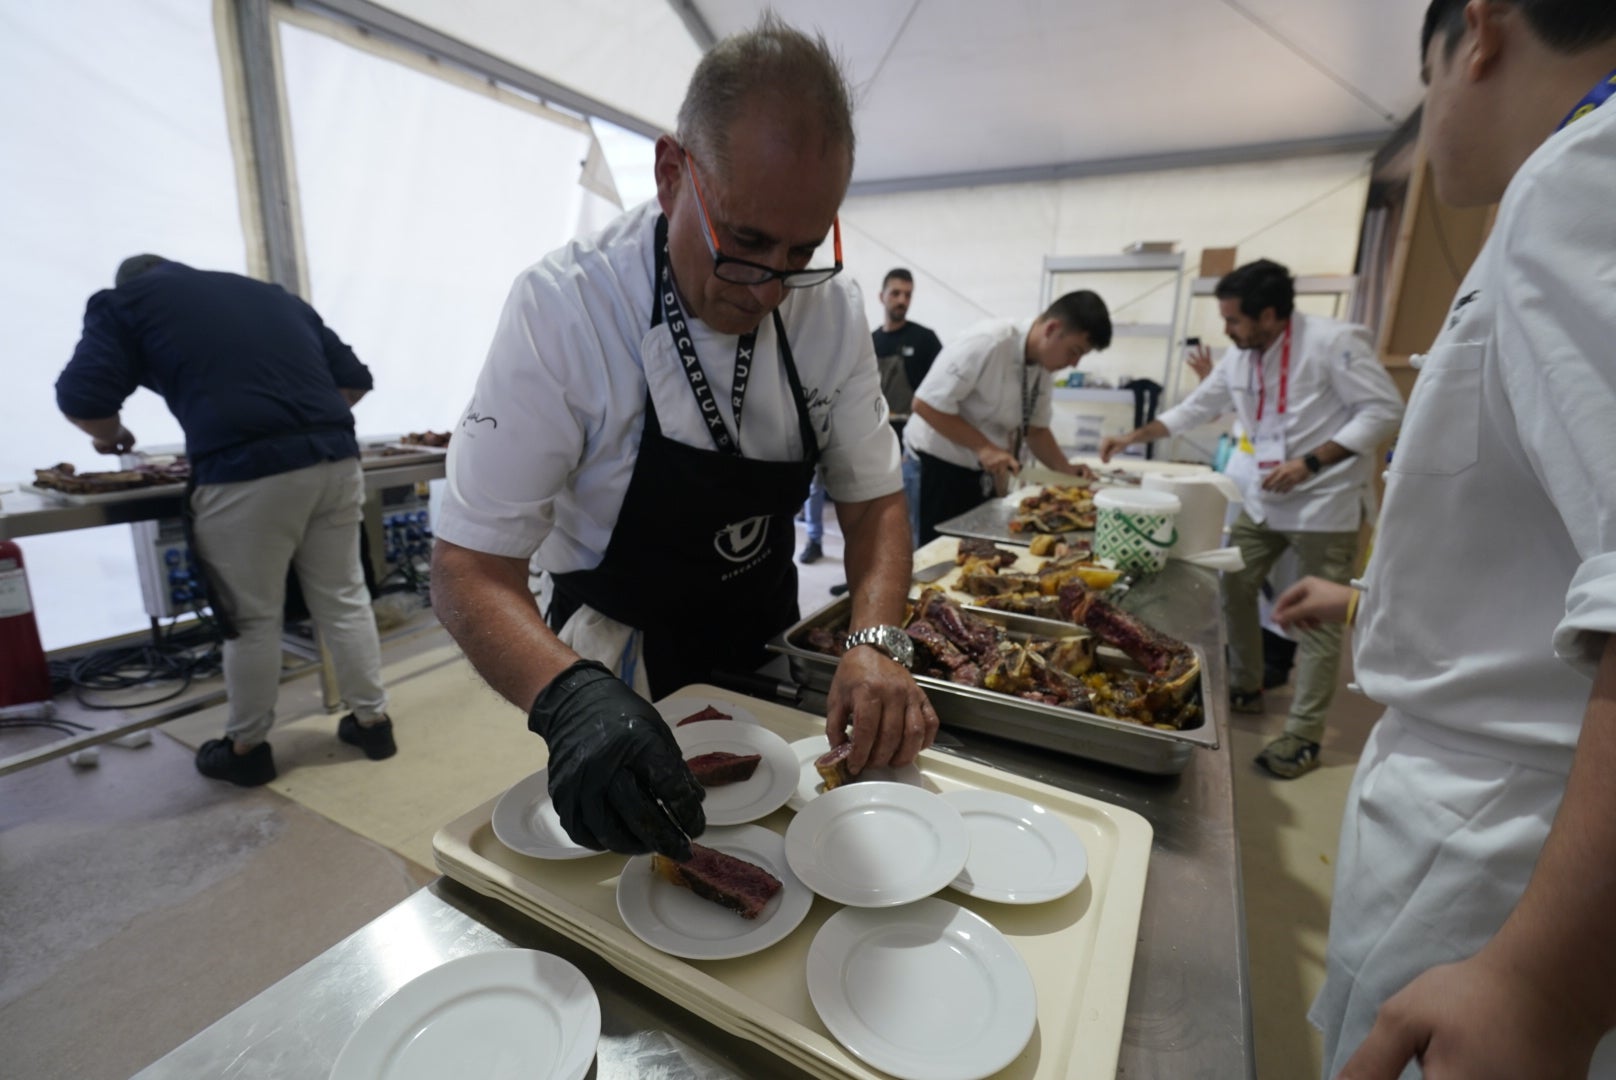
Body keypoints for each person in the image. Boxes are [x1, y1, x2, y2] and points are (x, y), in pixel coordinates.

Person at [431, 16, 938, 863]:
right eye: (744, 242)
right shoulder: (567, 309)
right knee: (638, 876)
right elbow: (467, 569)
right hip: (610, 651)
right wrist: (565, 700)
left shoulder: (831, 309)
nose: (771, 288)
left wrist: (876, 642)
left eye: (801, 251)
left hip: (761, 627)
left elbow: (874, 502)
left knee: (788, 854)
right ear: (672, 174)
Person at [1272, 2, 1616, 1074]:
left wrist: (1537, 978)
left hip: (1511, 852)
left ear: (1478, 32)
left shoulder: (1579, 180)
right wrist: (1372, 604)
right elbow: (1546, 559)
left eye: (1423, 88)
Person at [55, 256, 396, 787]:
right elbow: (353, 381)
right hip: (335, 459)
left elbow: (83, 397)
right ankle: (373, 723)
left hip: (245, 471)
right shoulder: (271, 294)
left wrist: (109, 436)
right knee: (344, 595)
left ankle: (246, 747)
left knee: (253, 619)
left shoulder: (124, 303)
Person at [1100, 260, 1404, 779]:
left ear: (1269, 315)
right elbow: (1195, 407)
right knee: (1234, 587)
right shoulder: (1241, 359)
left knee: (1317, 619)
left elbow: (1384, 410)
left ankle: (1303, 736)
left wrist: (1310, 462)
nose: (1227, 331)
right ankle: (1245, 683)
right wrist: (1133, 437)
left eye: (1235, 321)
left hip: (1322, 502)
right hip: (1263, 499)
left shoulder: (1334, 342)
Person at [904, 292, 1111, 545]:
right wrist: (984, 447)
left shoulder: (1043, 366)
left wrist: (1067, 472)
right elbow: (925, 404)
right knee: (928, 557)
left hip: (978, 473)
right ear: (1052, 329)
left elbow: (1036, 430)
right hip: (935, 467)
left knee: (967, 551)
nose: (1074, 363)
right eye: (1074, 351)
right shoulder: (988, 342)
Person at [872, 268, 944, 546]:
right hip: (875, 440)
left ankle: (909, 579)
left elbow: (939, 398)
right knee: (871, 515)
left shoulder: (925, 340)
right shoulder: (871, 341)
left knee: (907, 519)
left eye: (908, 294)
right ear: (882, 296)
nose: (902, 300)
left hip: (910, 448)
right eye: (896, 293)